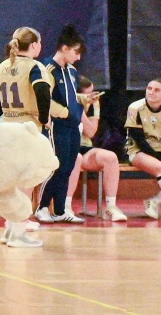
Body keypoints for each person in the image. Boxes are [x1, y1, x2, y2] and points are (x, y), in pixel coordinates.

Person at [0, 27, 53, 248]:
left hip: (5, 126)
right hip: (27, 127)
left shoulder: (1, 68)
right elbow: (43, 93)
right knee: (26, 180)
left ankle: (9, 228)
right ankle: (18, 230)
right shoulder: (36, 68)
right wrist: (44, 119)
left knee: (11, 182)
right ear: (34, 45)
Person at [36, 27, 86, 223]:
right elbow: (44, 98)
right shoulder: (47, 68)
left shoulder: (72, 71)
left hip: (73, 126)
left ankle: (59, 210)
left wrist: (82, 99)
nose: (79, 57)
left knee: (68, 167)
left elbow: (68, 95)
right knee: (56, 166)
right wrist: (64, 113)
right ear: (64, 48)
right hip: (57, 126)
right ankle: (41, 207)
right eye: (76, 51)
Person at [65, 78, 127, 222]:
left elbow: (91, 132)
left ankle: (111, 207)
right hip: (65, 146)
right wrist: (76, 105)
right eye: (89, 94)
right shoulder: (63, 102)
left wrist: (80, 111)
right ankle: (66, 206)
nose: (93, 96)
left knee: (110, 157)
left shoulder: (93, 105)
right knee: (75, 158)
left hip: (85, 147)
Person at [125, 78, 161, 219]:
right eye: (149, 88)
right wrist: (156, 157)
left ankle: (154, 201)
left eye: (157, 90)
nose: (151, 92)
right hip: (138, 150)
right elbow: (138, 139)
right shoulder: (135, 108)